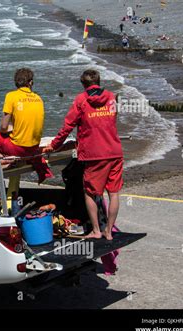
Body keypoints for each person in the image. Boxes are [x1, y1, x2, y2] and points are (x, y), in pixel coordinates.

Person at [44, 70, 123, 241]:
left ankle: (96, 230)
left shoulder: (81, 100)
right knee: (114, 193)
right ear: (98, 81)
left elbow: (67, 126)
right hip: (115, 150)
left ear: (83, 84)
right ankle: (109, 231)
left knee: (90, 192)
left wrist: (54, 145)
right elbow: (110, 120)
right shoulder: (111, 97)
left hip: (94, 154)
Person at [0, 68, 52, 184]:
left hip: (18, 149)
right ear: (30, 82)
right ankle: (8, 157)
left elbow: (3, 127)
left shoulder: (11, 96)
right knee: (12, 132)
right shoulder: (39, 99)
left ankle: (4, 158)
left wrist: (7, 130)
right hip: (33, 149)